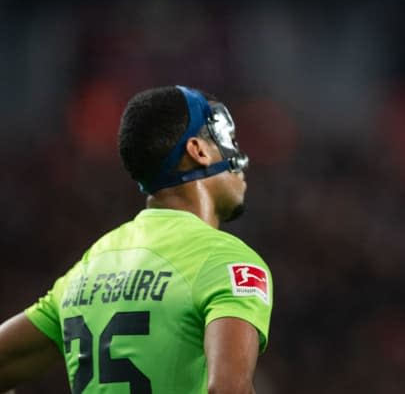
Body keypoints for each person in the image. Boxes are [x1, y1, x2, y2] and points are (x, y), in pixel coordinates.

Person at [0, 85, 272, 393]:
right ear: (199, 151)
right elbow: (227, 389)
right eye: (228, 140)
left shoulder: (88, 267)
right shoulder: (227, 261)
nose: (239, 158)